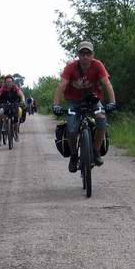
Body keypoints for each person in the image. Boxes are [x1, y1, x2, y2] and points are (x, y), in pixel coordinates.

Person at [52, 41, 116, 172]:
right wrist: (56, 105)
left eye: (88, 53)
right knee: (71, 129)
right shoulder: (71, 67)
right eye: (82, 53)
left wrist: (112, 102)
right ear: (78, 54)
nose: (85, 56)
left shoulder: (98, 65)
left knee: (101, 119)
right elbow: (61, 86)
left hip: (93, 100)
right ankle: (74, 156)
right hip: (74, 102)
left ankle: (96, 152)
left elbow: (107, 84)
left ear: (93, 54)